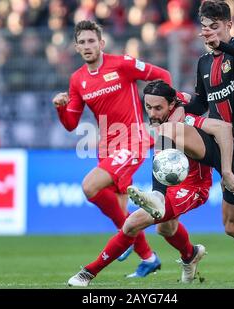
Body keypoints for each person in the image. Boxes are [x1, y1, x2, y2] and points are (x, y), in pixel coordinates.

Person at [129, 1, 234, 284]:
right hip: (214, 139)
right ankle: (159, 194)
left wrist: (222, 43)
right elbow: (202, 102)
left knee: (233, 226)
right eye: (205, 28)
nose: (209, 33)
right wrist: (179, 101)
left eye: (215, 27)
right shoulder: (204, 62)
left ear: (228, 25)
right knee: (170, 129)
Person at [67, 80, 234, 287]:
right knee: (166, 229)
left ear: (171, 105)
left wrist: (226, 173)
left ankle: (87, 273)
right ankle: (190, 255)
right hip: (173, 183)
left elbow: (214, 135)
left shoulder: (186, 123)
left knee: (132, 223)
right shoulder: (165, 122)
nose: (152, 113)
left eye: (158, 108)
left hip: (193, 188)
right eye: (148, 107)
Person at [53, 20, 174, 277]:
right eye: (82, 42)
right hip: (107, 146)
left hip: (132, 140)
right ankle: (149, 257)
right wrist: (61, 107)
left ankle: (125, 241)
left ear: (101, 43)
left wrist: (158, 111)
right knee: (121, 213)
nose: (87, 46)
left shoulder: (122, 64)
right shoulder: (77, 80)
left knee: (89, 186)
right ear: (76, 47)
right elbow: (71, 124)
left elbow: (163, 76)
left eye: (91, 41)